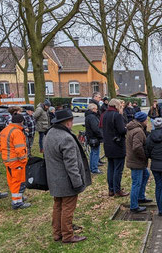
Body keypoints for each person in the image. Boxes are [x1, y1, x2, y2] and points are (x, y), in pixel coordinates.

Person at [44, 109, 91, 243]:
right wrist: (77, 182)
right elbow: (71, 164)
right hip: (66, 180)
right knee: (68, 208)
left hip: (54, 178)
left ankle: (57, 233)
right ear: (68, 122)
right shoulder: (66, 138)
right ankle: (68, 235)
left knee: (58, 206)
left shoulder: (50, 133)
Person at [0, 114, 30, 209]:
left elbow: (0, 146)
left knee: (12, 181)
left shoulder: (5, 130)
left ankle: (18, 197)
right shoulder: (17, 132)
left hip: (8, 160)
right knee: (18, 181)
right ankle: (17, 202)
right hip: (16, 161)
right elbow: (20, 149)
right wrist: (24, 160)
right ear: (22, 122)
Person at [102, 99, 129, 197]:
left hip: (108, 145)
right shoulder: (117, 115)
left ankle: (111, 189)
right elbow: (122, 130)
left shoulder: (105, 115)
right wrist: (126, 128)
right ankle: (117, 190)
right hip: (117, 145)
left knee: (111, 168)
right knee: (118, 169)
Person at [126, 112, 152, 213]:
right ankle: (134, 206)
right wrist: (144, 156)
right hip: (136, 161)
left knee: (146, 174)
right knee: (136, 183)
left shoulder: (134, 128)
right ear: (142, 120)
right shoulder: (138, 131)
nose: (147, 121)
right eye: (146, 119)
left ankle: (141, 197)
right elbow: (137, 147)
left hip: (135, 160)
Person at [85, 103, 104, 174]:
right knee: (95, 153)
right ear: (93, 109)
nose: (97, 110)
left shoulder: (88, 116)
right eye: (96, 109)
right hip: (94, 138)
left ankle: (92, 167)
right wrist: (100, 135)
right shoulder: (92, 117)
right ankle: (94, 169)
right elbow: (95, 128)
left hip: (91, 137)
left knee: (93, 153)